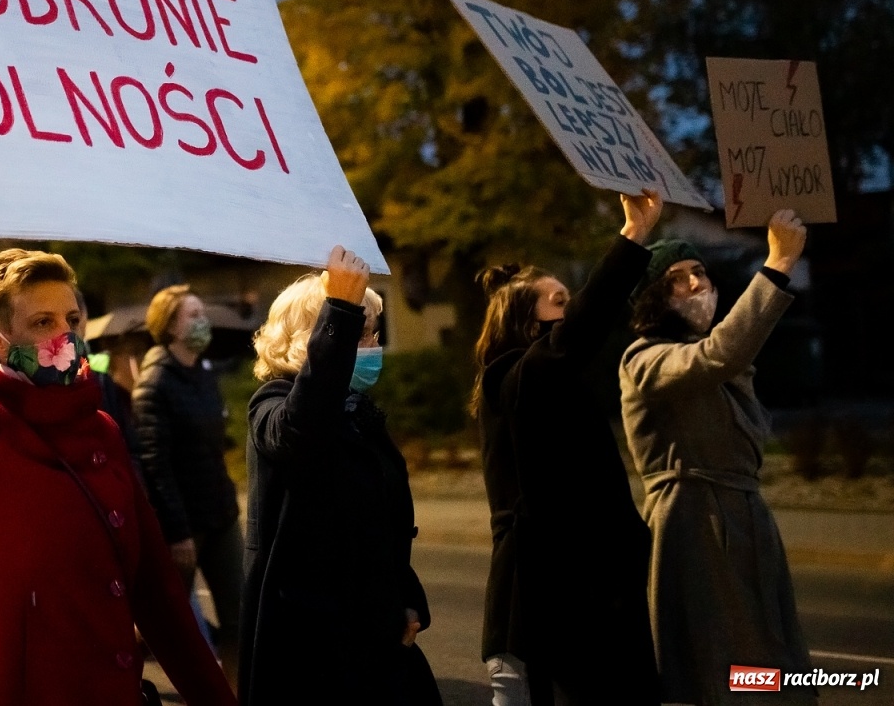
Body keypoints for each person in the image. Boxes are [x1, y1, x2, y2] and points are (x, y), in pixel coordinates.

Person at [0, 185, 236, 706]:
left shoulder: (101, 428)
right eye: (43, 323)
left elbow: (159, 595)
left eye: (71, 320)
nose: (65, 335)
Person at [474, 191, 665, 706]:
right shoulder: (514, 378)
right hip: (549, 604)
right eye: (558, 301)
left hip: (591, 592)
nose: (571, 306)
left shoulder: (554, 382)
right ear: (525, 322)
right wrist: (632, 237)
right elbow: (584, 326)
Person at [620, 210, 812, 704]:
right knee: (723, 668)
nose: (694, 284)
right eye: (675, 279)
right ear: (653, 299)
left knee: (773, 658)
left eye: (698, 272)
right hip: (695, 521)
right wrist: (778, 262)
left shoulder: (716, 355)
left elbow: (726, 355)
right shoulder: (644, 357)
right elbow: (719, 356)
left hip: (745, 516)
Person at [241, 253, 440, 705]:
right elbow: (301, 428)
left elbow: (382, 528)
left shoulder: (359, 414)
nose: (370, 344)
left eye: (371, 330)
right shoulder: (271, 403)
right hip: (310, 652)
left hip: (375, 639)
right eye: (358, 330)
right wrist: (340, 311)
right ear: (311, 340)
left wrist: (407, 602)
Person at [131, 285, 243, 676]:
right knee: (168, 623)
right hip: (185, 525)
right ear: (170, 327)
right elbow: (155, 465)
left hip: (220, 513)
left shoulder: (202, 373)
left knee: (238, 619)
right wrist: (177, 533)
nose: (203, 322)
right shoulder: (155, 384)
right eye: (193, 315)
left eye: (202, 313)